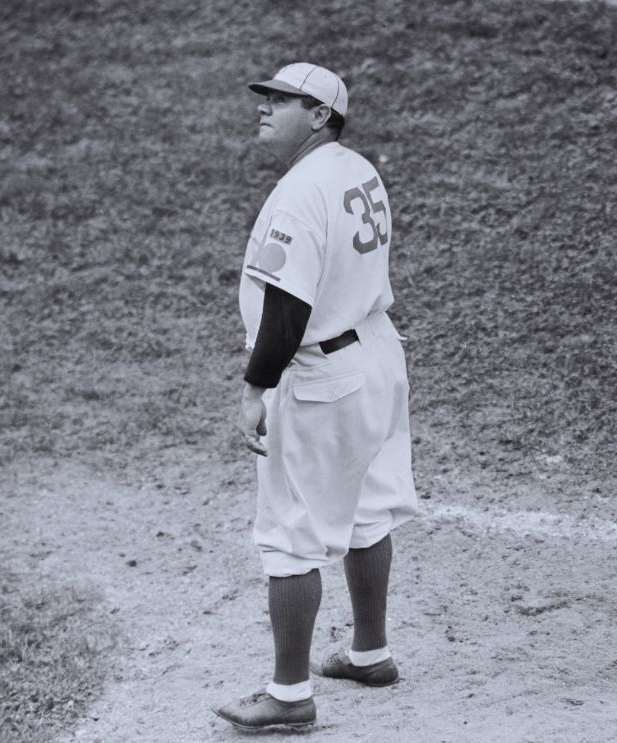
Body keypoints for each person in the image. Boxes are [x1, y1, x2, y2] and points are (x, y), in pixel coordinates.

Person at [212, 62, 420, 731]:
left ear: (321, 114)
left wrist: (254, 387)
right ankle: (369, 652)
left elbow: (286, 308)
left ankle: (289, 694)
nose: (264, 106)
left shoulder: (299, 192)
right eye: (264, 97)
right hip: (376, 354)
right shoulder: (357, 168)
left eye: (282, 99)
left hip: (322, 374)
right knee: (365, 507)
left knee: (290, 537)